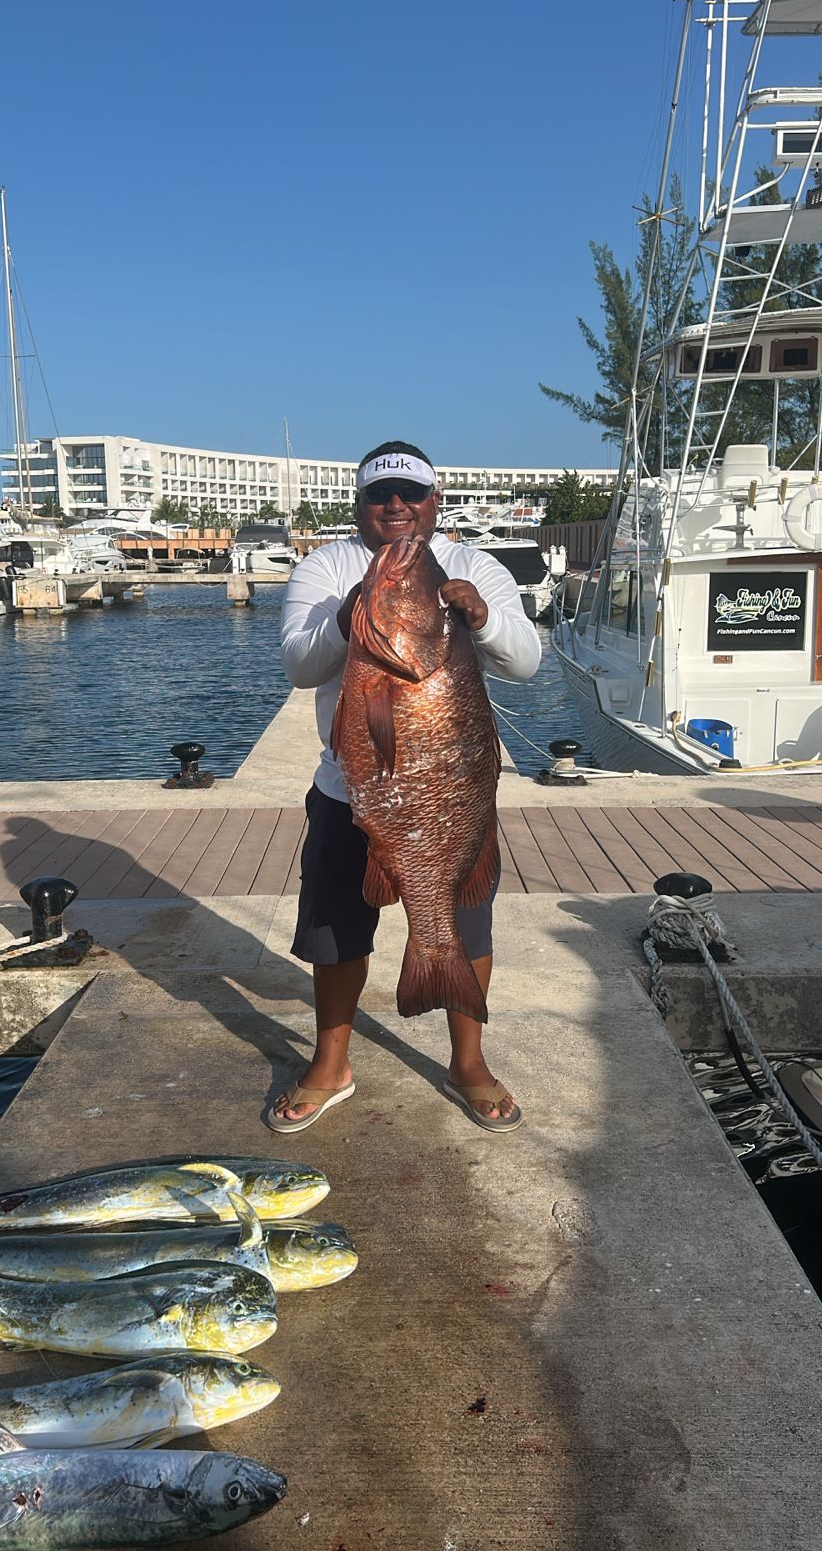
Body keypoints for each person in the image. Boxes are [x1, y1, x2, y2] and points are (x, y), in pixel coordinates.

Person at [269, 440, 541, 1134]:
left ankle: (468, 1063)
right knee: (335, 932)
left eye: (410, 493)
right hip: (349, 793)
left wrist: (482, 619)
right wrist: (351, 611)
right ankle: (331, 1065)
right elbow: (300, 666)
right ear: (359, 505)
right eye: (379, 494)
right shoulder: (325, 567)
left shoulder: (477, 566)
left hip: (451, 794)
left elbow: (526, 662)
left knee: (463, 922)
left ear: (434, 500)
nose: (396, 506)